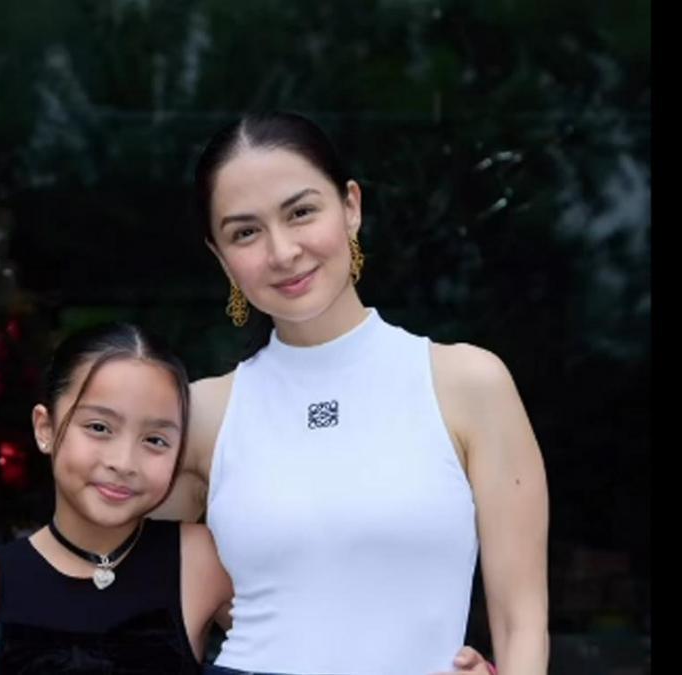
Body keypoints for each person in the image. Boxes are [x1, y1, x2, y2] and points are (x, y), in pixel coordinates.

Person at [153, 111, 549, 674]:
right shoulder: (202, 414)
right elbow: (107, 567)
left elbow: (521, 621)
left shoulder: (468, 383)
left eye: (301, 212)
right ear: (220, 257)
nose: (283, 251)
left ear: (351, 207)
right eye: (245, 232)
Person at [0, 323, 232, 674]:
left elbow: (285, 649)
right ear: (45, 428)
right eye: (99, 428)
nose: (123, 463)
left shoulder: (202, 559)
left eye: (155, 440)